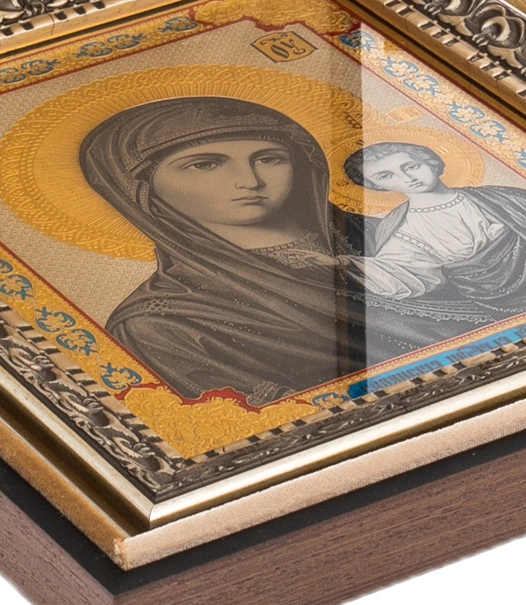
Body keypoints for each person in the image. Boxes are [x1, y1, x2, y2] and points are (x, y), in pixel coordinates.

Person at [78, 96, 368, 404]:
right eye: (205, 164)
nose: (249, 181)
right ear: (139, 187)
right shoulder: (160, 325)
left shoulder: (369, 232)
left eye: (268, 159)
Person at [344, 142, 526, 331]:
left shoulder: (503, 198)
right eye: (386, 175)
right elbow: (403, 273)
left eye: (411, 166)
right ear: (376, 186)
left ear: (430, 163)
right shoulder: (402, 228)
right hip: (491, 306)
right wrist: (341, 264)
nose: (406, 178)